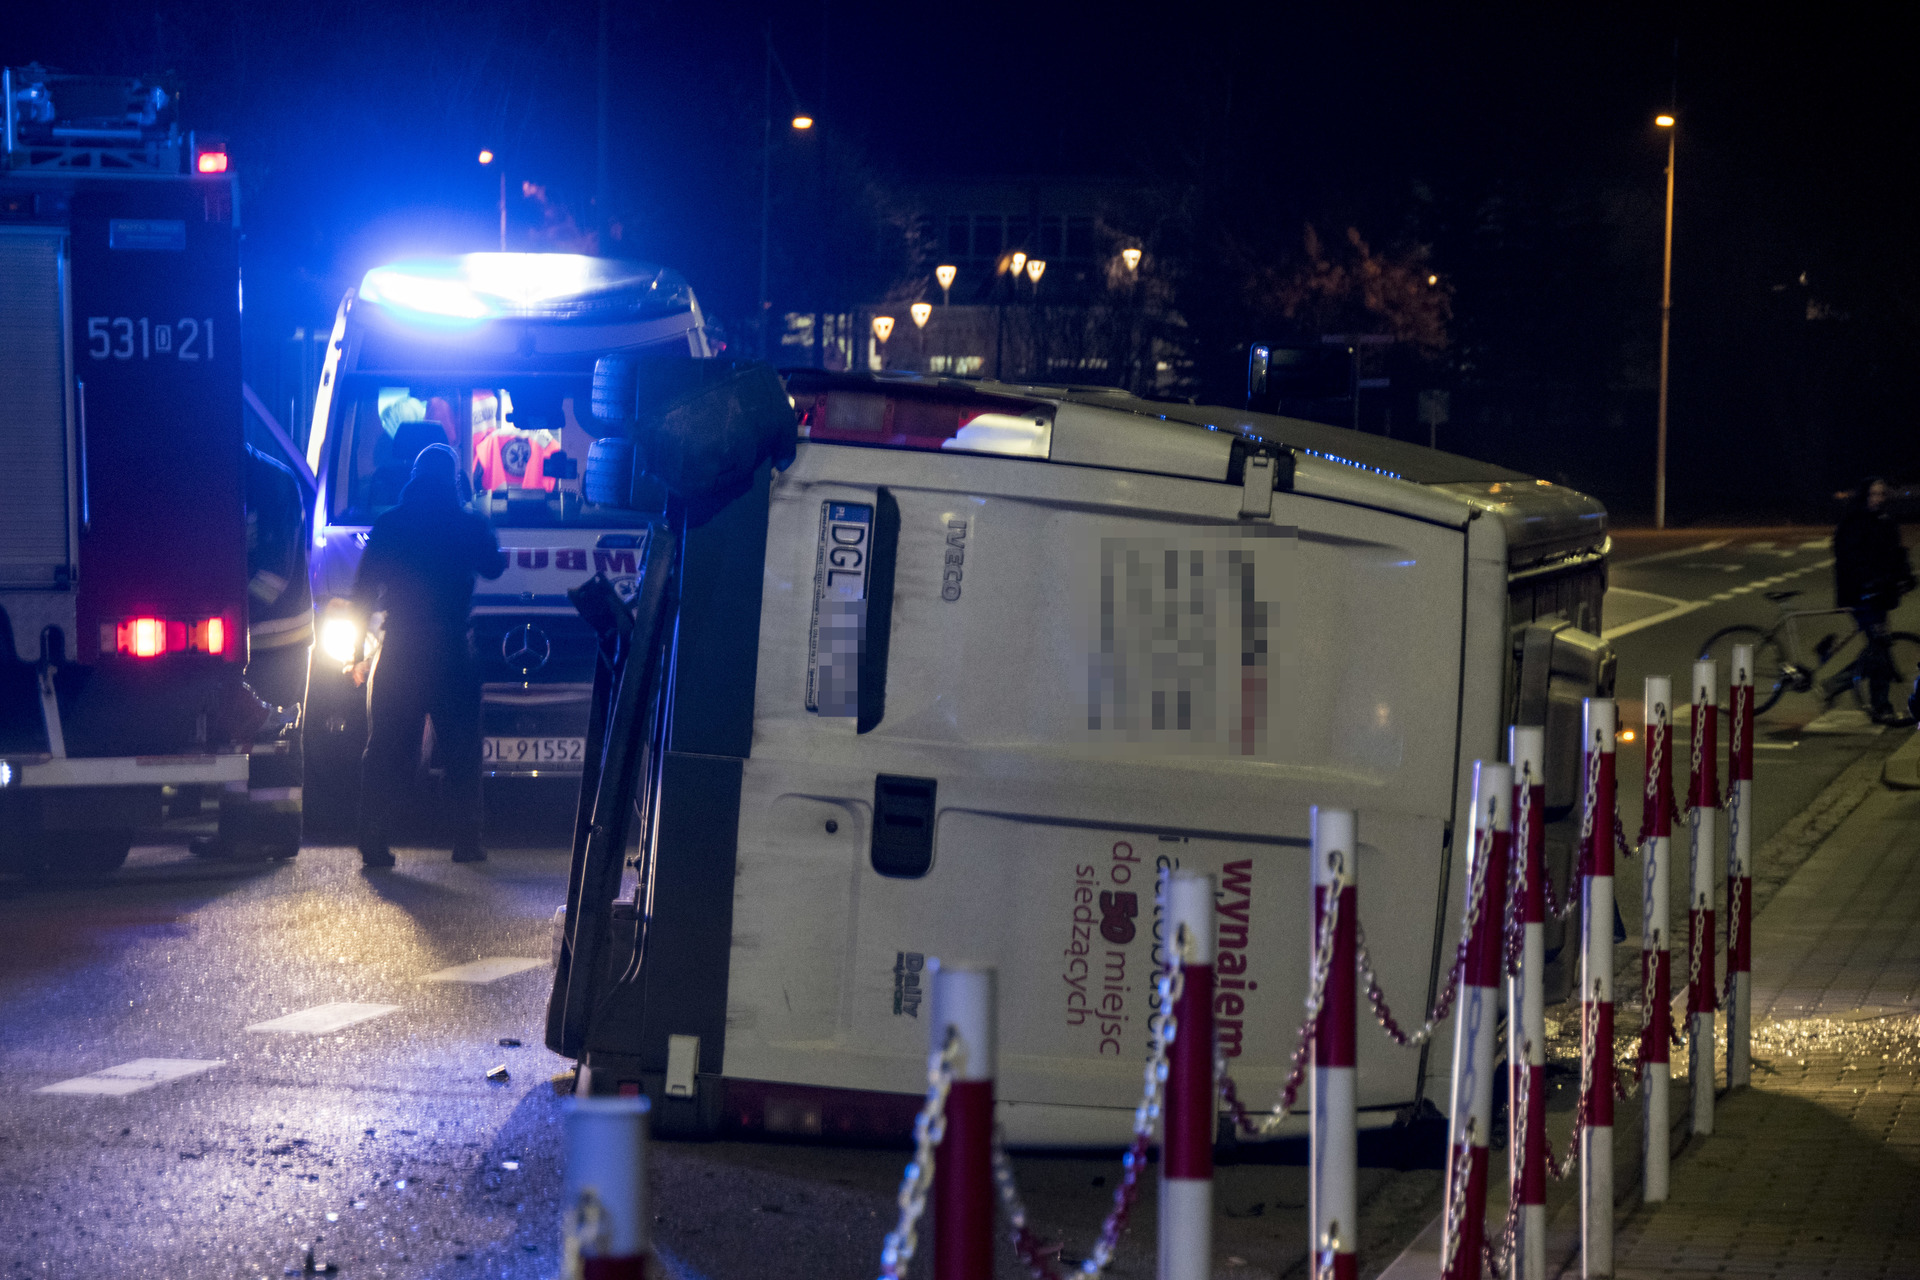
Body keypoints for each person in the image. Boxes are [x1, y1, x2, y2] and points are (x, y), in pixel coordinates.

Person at [350, 443, 508, 866]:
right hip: (453, 649)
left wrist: (354, 653)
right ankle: (466, 842)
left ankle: (374, 841)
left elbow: (363, 591)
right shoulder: (468, 523)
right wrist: (487, 526)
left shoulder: (390, 524)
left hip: (400, 649)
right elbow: (494, 567)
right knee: (461, 750)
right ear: (454, 479)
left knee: (385, 749)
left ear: (414, 476)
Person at [1832, 476, 1916, 726]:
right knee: (1879, 649)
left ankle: (1840, 686)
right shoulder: (1852, 522)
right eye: (1873, 495)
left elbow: (1896, 555)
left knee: (1880, 648)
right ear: (1864, 495)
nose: (1877, 499)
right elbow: (1845, 561)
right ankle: (1880, 705)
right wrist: (1854, 590)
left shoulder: (1886, 521)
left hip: (1880, 595)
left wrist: (1906, 577)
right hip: (1860, 596)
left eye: (1881, 495)